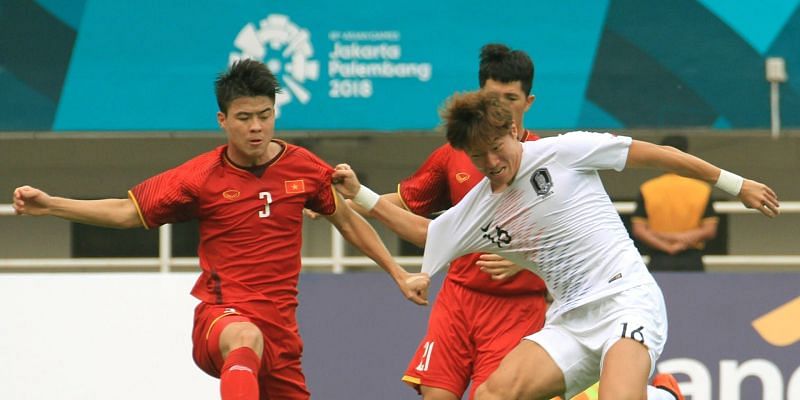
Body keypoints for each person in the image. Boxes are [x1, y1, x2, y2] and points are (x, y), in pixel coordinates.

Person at [11, 59, 429, 400]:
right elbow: (126, 211)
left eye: (265, 116)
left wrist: (398, 274)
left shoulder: (304, 167)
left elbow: (349, 222)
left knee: (263, 345)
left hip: (282, 335)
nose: (256, 128)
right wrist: (50, 204)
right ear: (222, 120)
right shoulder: (200, 177)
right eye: (244, 118)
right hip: (221, 319)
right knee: (245, 335)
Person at [332, 90, 779, 400]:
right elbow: (427, 233)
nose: (490, 163)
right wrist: (360, 196)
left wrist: (734, 184)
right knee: (493, 393)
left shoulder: (567, 151)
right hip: (569, 320)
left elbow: (660, 156)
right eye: (476, 156)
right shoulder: (482, 204)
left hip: (626, 301)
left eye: (495, 148)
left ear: (513, 130)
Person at [356, 43, 549, 400]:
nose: (501, 108)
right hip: (458, 300)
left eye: (511, 98)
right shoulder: (454, 154)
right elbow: (404, 202)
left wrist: (526, 261)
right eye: (493, 97)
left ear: (528, 103)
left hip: (517, 309)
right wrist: (335, 203)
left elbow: (573, 244)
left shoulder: (548, 162)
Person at [631, 135, 719, 272]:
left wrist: (666, 246)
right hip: (692, 258)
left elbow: (639, 229)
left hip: (658, 258)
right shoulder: (702, 188)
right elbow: (709, 229)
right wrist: (682, 241)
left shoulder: (647, 188)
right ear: (686, 155)